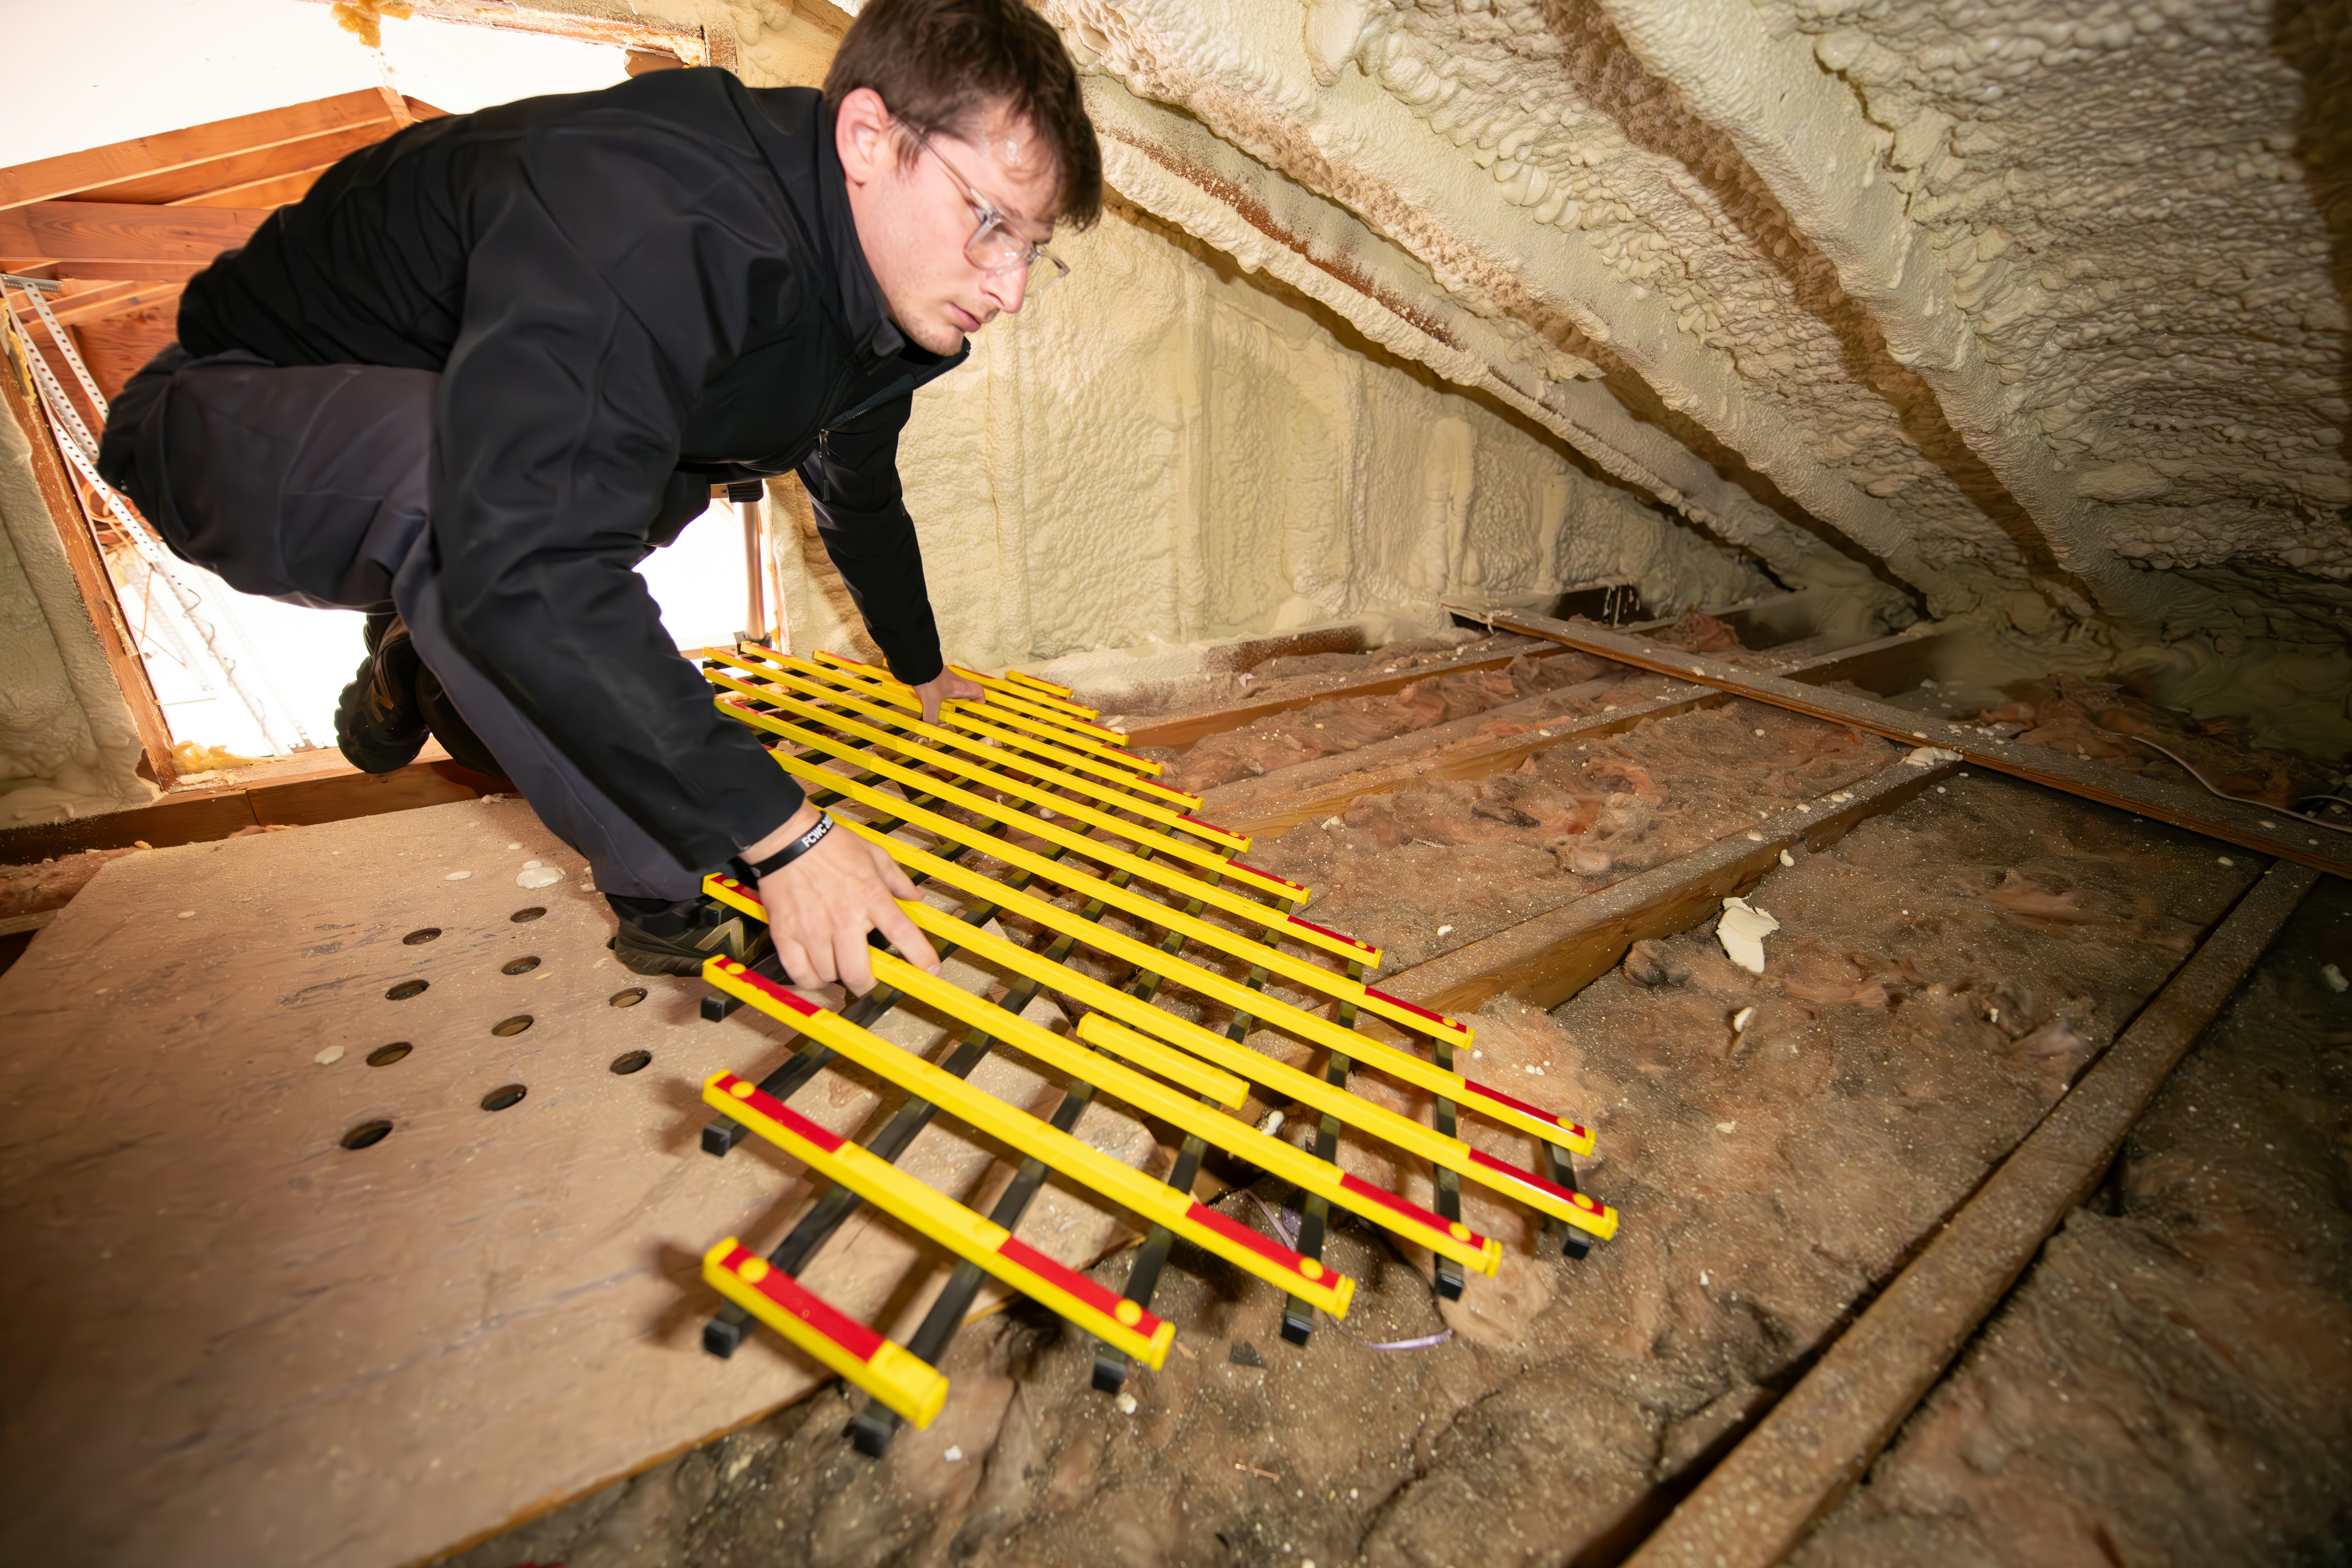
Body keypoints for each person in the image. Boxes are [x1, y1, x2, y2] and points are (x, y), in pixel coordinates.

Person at [96, 0, 1102, 991]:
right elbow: (533, 552)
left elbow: (858, 486)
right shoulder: (662, 210)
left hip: (434, 457)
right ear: (870, 138)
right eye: (989, 223)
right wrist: (782, 837)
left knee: (648, 478)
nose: (1009, 287)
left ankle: (417, 655)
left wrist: (919, 668)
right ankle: (672, 887)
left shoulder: (888, 305)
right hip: (222, 421)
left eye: (1034, 249)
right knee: (497, 514)